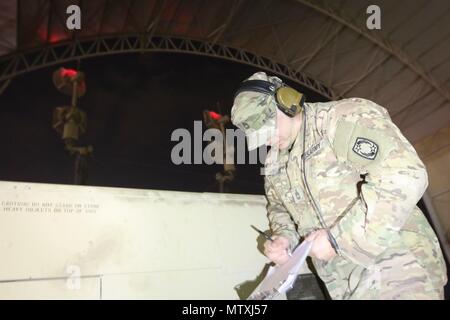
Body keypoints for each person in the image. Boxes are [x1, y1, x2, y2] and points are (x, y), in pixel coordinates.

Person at [231, 71, 447, 299]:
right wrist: (285, 238)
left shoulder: (340, 118)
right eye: (259, 137)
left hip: (396, 264)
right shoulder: (274, 162)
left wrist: (339, 240)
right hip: (341, 284)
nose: (267, 140)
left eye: (269, 129)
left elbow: (404, 175)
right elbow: (279, 208)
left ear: (286, 101)